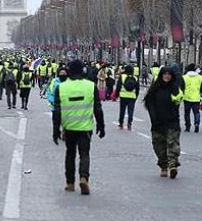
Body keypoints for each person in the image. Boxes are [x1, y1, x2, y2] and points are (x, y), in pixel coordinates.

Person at [52, 60, 105, 195]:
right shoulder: (91, 86)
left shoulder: (61, 87)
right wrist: (101, 125)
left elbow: (56, 111)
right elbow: (97, 108)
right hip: (85, 127)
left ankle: (70, 183)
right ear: (83, 71)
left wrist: (55, 129)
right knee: (84, 154)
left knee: (70, 154)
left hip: (69, 127)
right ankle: (84, 178)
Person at [143, 64, 183, 178]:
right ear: (161, 75)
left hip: (172, 120)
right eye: (165, 74)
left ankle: (173, 165)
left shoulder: (175, 88)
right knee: (158, 146)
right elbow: (149, 104)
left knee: (172, 143)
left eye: (169, 74)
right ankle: (164, 165)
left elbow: (178, 100)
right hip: (157, 121)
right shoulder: (155, 89)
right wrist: (153, 118)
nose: (167, 76)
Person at [116, 64, 140, 130]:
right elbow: (137, 89)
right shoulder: (135, 77)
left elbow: (118, 86)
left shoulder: (122, 76)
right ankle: (129, 123)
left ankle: (121, 123)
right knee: (131, 111)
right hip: (132, 96)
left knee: (122, 110)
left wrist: (117, 95)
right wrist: (136, 96)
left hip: (123, 96)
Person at [181, 64, 202, 133]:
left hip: (186, 97)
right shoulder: (199, 77)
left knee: (187, 113)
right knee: (196, 112)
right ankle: (196, 124)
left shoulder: (184, 77)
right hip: (196, 97)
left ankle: (188, 126)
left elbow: (181, 87)